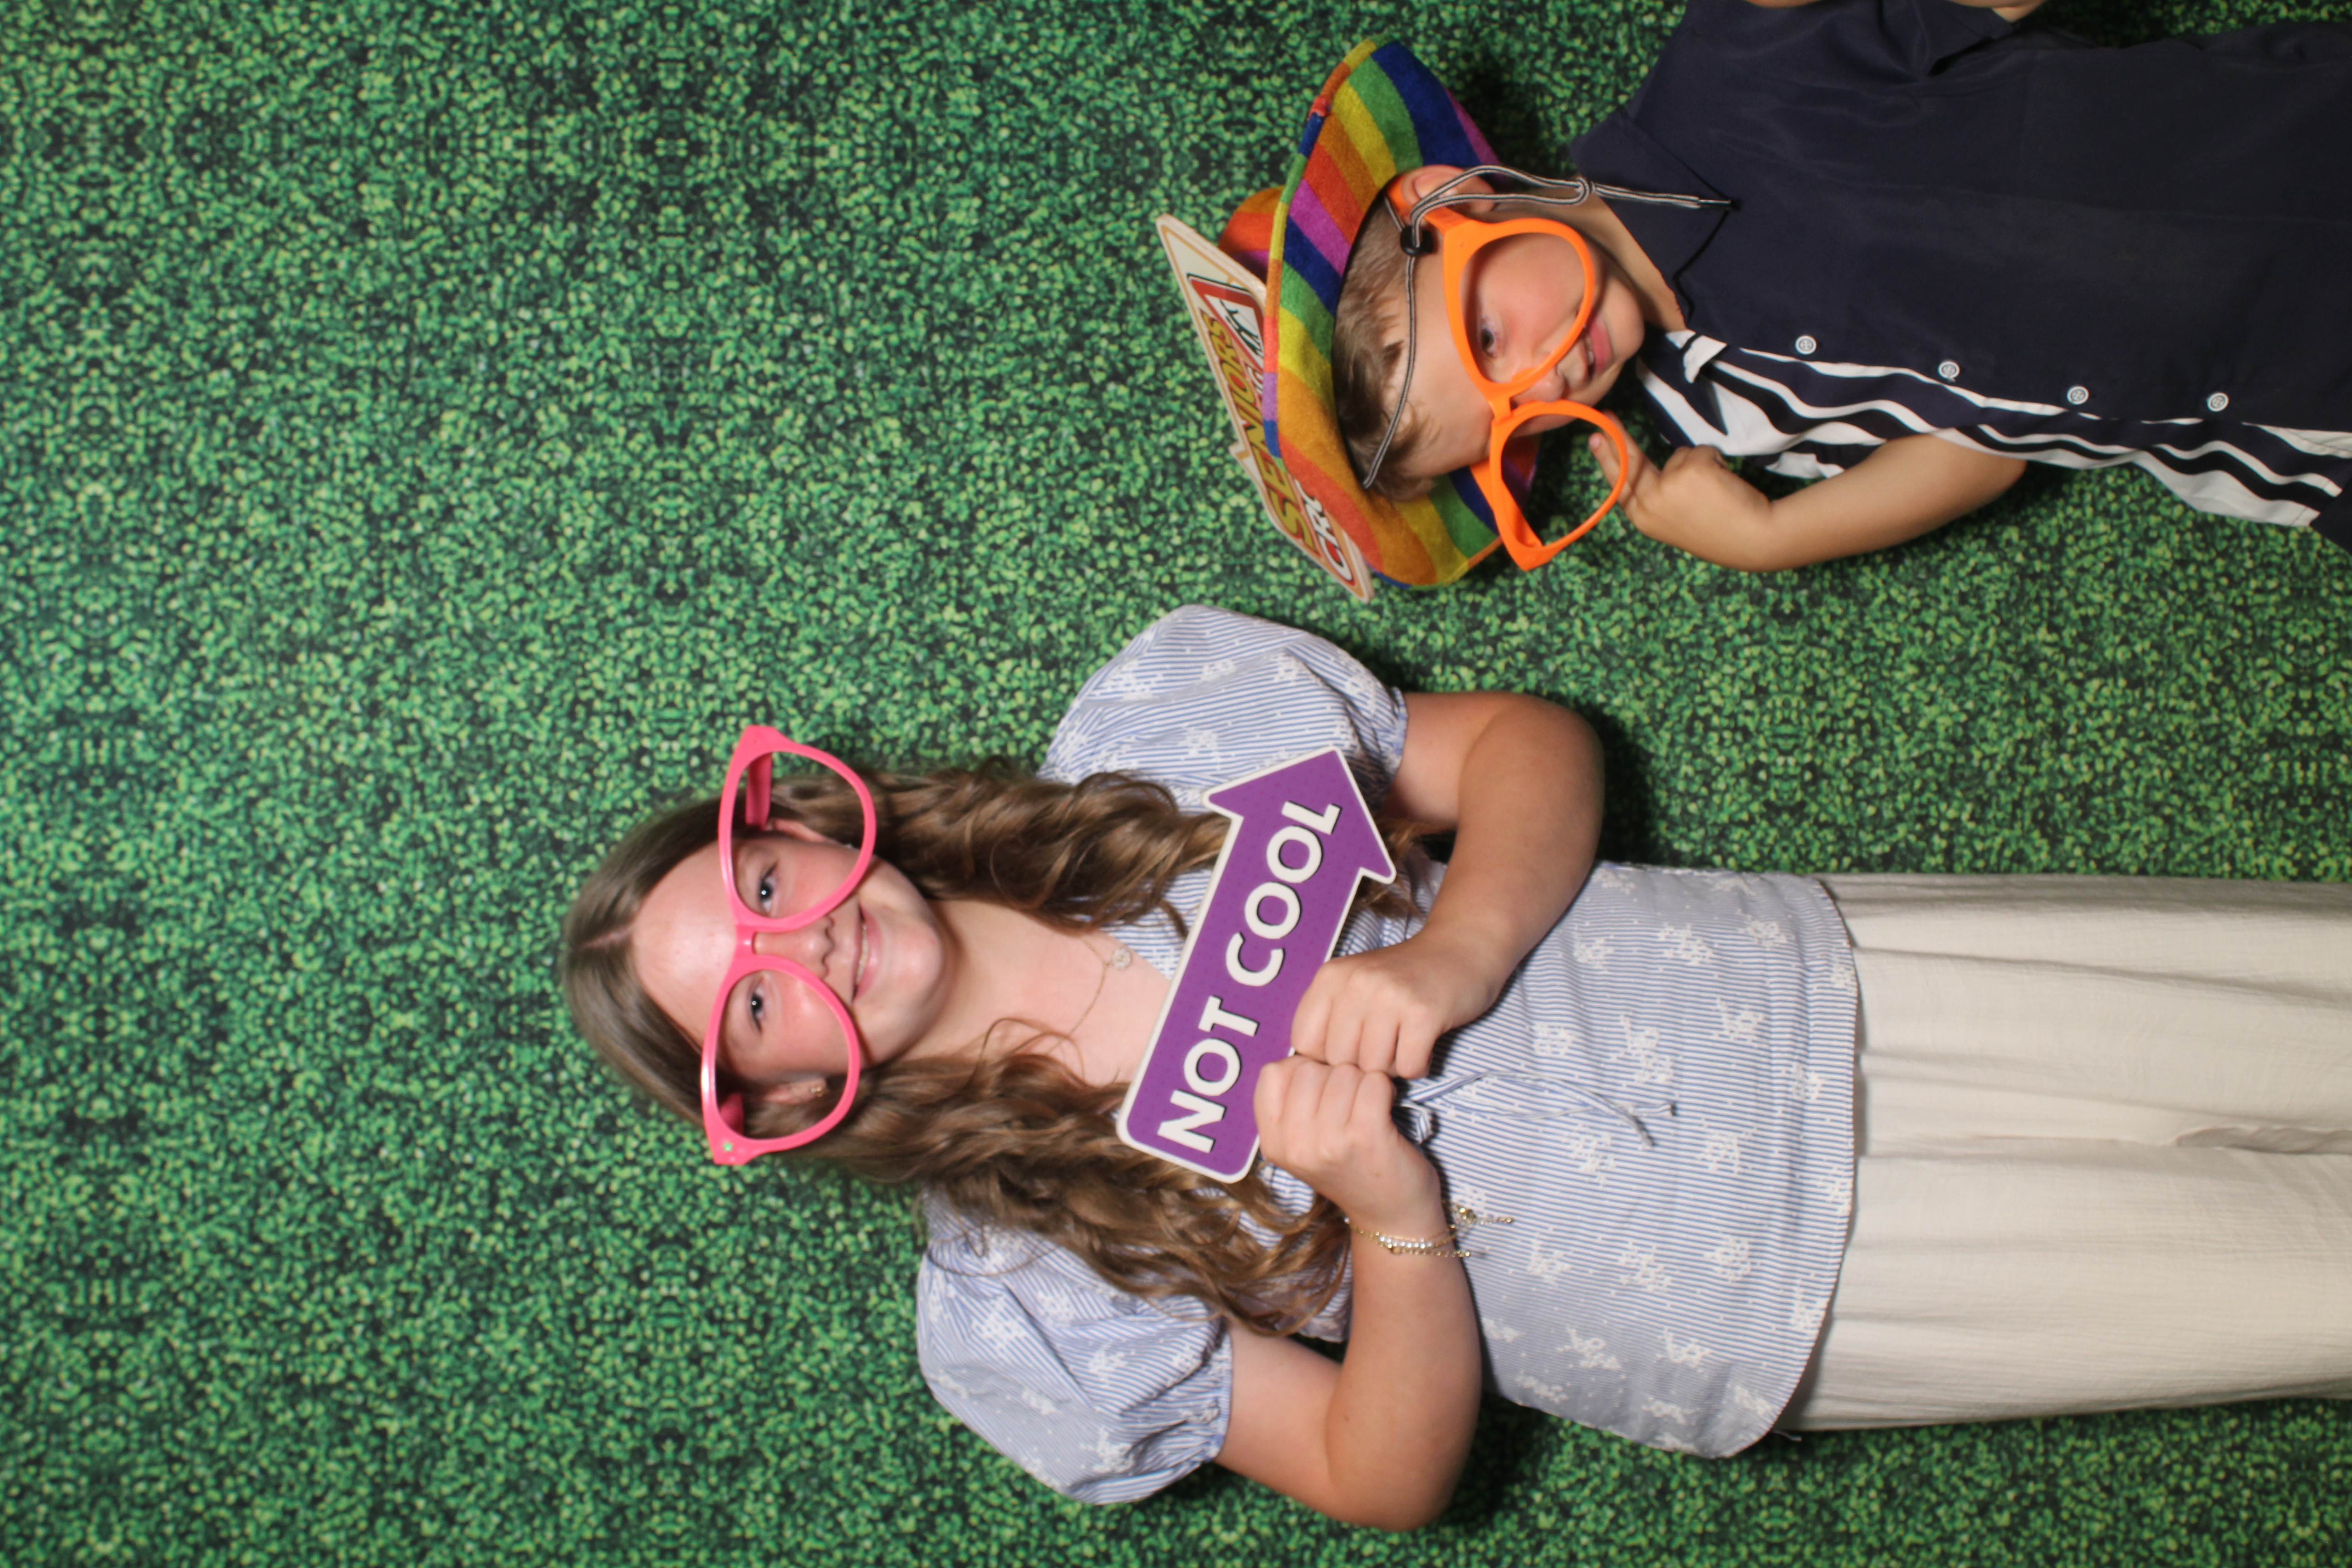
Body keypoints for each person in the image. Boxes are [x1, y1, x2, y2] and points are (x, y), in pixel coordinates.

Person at [561, 607, 2352, 1529]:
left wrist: (1453, 951)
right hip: (1793, 1299)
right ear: (781, 1102)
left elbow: (1528, 752)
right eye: (755, 1007)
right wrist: (1391, 1219)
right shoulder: (1018, 1297)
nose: (807, 950)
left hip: (1854, 984)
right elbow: (1377, 1471)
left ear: (801, 827)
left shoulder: (1157, 738)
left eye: (766, 894)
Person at [1223, 6, 2352, 584]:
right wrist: (1776, 534)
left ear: (1449, 204)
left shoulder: (1734, 70)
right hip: (2294, 424)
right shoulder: (1718, 414)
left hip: (2292, 154)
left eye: (1484, 333)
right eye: (1511, 418)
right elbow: (1988, 444)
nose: (1545, 375)